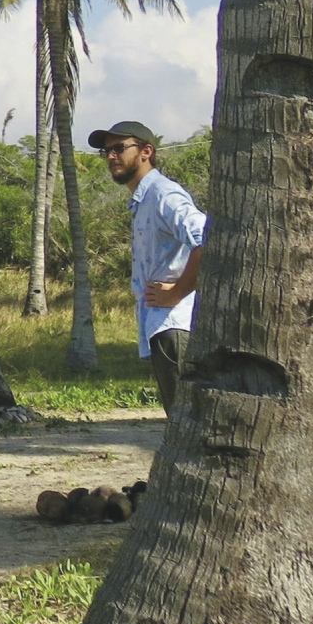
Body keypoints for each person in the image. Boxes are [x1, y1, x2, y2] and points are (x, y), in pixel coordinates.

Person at [86, 119, 207, 411]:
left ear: (146, 151)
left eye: (119, 148)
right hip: (162, 326)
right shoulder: (143, 200)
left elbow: (206, 241)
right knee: (178, 417)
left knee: (183, 418)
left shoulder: (163, 194)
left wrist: (176, 293)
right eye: (106, 151)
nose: (111, 156)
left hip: (175, 324)